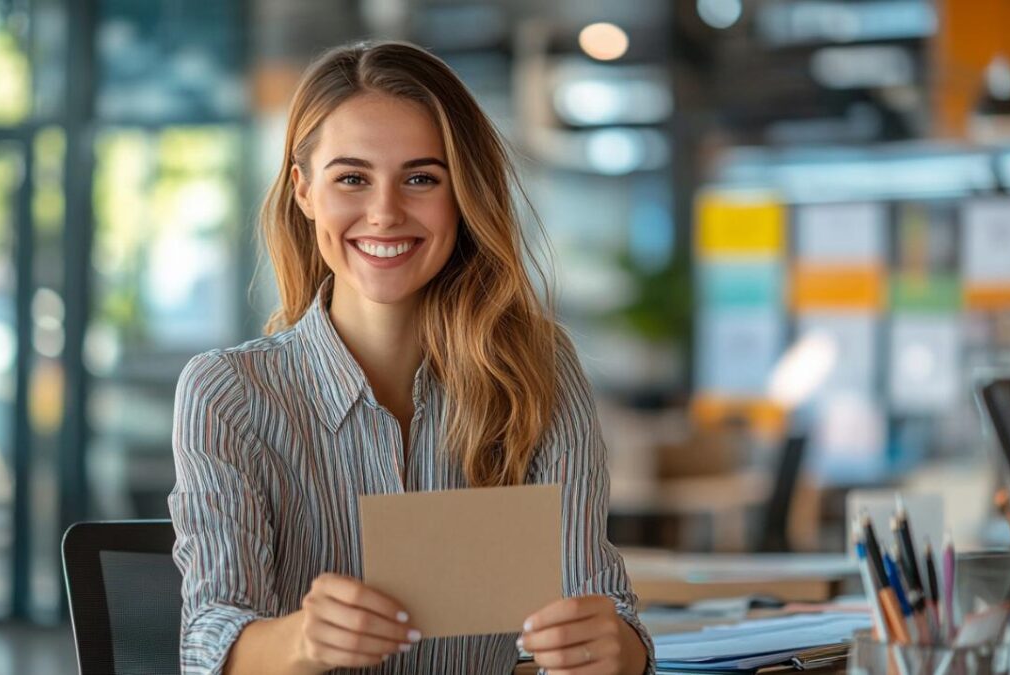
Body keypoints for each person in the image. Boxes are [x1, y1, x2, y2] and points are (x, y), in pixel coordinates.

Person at [168, 40, 654, 675]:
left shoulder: (538, 370)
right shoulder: (228, 395)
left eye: (421, 178)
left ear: (463, 197)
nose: (385, 212)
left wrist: (620, 649)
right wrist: (303, 641)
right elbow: (210, 641)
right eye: (351, 178)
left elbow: (604, 606)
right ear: (303, 191)